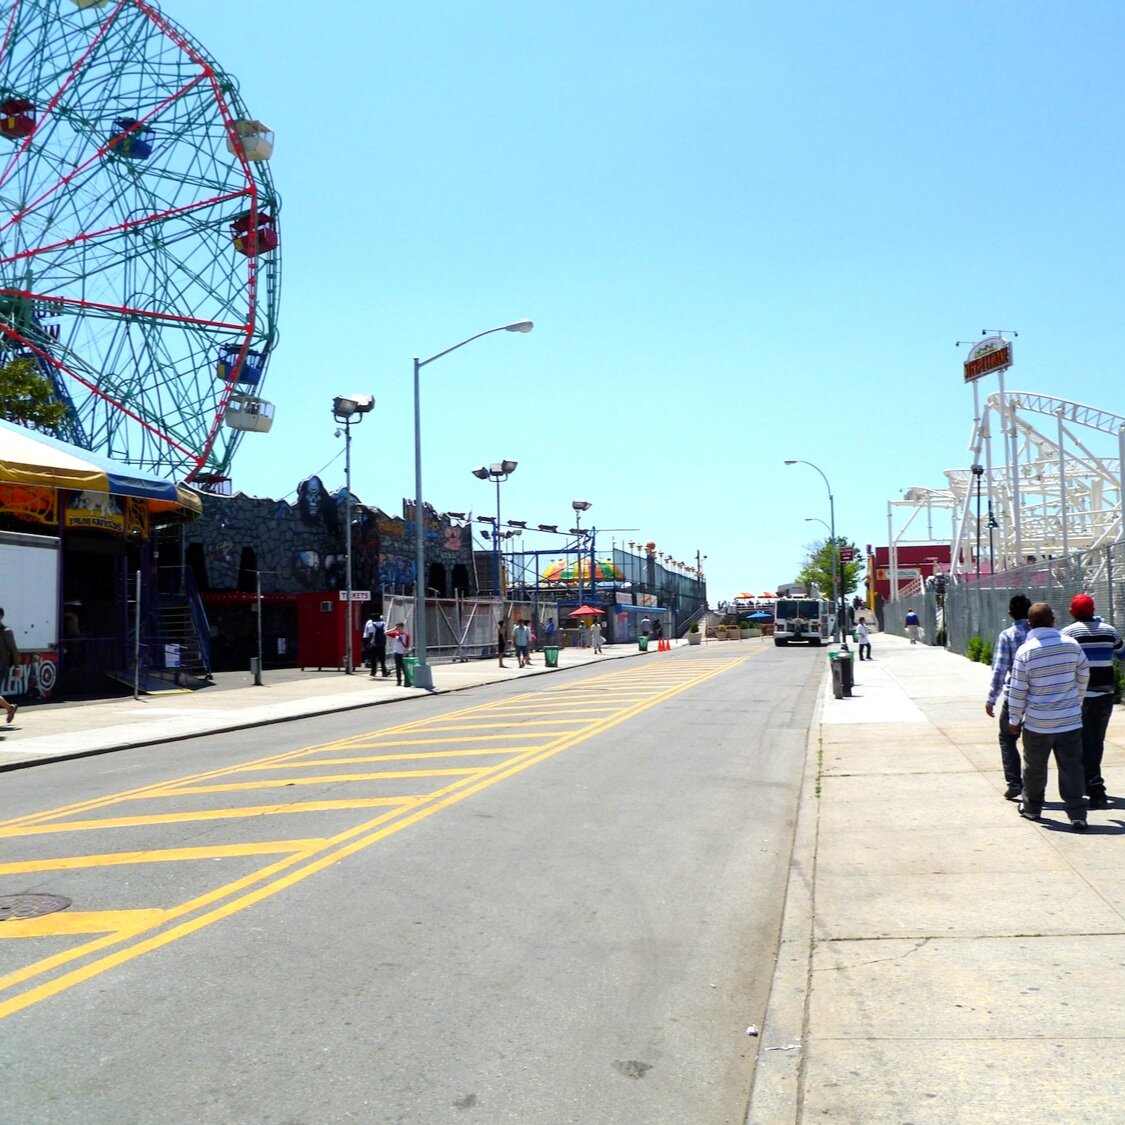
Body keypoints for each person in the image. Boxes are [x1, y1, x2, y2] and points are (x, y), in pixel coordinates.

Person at [1006, 602, 1090, 831]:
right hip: (1069, 720)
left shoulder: (1026, 651)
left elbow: (1017, 690)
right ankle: (1077, 814)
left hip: (1038, 722)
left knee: (1034, 767)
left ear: (1029, 623)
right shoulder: (1072, 645)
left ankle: (1032, 809)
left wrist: (1014, 719)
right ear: (1053, 620)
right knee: (1072, 767)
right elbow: (1084, 675)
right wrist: (1077, 701)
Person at [1061, 593, 1123, 809]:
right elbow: (1122, 653)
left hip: (1078, 697)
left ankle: (1090, 786)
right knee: (1095, 741)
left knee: (1076, 743)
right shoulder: (1109, 631)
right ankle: (1093, 785)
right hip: (1104, 696)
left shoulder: (1068, 634)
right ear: (1093, 610)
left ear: (1071, 612)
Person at [985, 594, 1032, 801]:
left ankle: (1014, 783)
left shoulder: (1007, 635)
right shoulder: (1040, 634)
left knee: (1007, 738)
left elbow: (999, 670)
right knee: (1035, 742)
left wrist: (991, 698)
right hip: (1038, 696)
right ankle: (1034, 785)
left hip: (1014, 695)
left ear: (1010, 614)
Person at [0, 608, 18, 723]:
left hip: (1, 666)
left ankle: (9, 708)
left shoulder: (6, 631)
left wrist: (17, 666)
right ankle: (9, 708)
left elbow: (14, 650)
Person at [362, 611, 389, 678]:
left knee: (373, 659)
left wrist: (366, 643)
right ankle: (384, 672)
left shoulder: (370, 624)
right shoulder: (384, 623)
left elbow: (367, 635)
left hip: (373, 644)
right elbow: (386, 633)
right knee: (382, 659)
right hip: (382, 644)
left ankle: (373, 672)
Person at [388, 622, 410, 686]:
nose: (397, 628)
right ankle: (399, 681)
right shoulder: (396, 634)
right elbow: (386, 633)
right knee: (398, 668)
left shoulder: (406, 635)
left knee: (404, 668)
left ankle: (407, 681)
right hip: (397, 652)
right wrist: (393, 629)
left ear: (401, 627)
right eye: (396, 627)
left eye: (398, 627)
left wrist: (405, 653)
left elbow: (407, 645)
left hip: (403, 653)